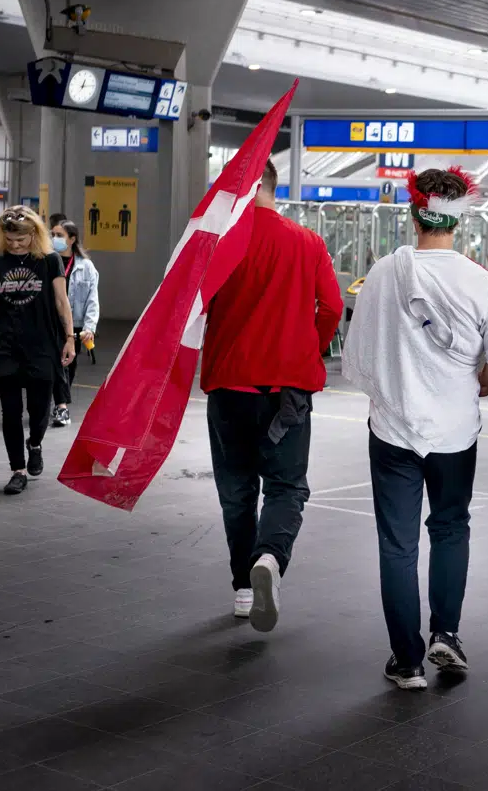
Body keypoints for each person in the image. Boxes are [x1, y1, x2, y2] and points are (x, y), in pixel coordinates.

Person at [343, 167, 488, 691]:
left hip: (393, 429)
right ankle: (447, 634)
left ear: (414, 212)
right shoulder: (480, 280)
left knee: (397, 545)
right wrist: (482, 378)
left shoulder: (384, 272)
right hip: (455, 433)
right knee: (450, 528)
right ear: (459, 219)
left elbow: (358, 347)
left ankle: (407, 660)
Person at [200, 159, 343, 632]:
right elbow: (332, 307)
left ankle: (244, 588)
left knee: (237, 491)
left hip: (228, 384)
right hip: (287, 390)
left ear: (252, 186)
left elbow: (195, 303)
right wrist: (307, 348)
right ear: (274, 189)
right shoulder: (307, 241)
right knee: (286, 486)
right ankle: (270, 558)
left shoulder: (219, 241)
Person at [0, 207, 74, 495]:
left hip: (42, 343)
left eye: (21, 240)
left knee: (39, 409)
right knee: (10, 411)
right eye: (10, 240)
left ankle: (35, 443)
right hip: (5, 343)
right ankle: (18, 470)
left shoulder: (50, 260)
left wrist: (70, 338)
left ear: (34, 234)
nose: (15, 245)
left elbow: (62, 301)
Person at [49, 220, 99, 427]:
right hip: (50, 322)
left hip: (75, 324)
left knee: (70, 363)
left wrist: (90, 327)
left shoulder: (85, 267)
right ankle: (62, 406)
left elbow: (92, 299)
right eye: (53, 234)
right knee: (57, 363)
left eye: (60, 235)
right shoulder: (47, 261)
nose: (55, 239)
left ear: (72, 239)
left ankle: (60, 402)